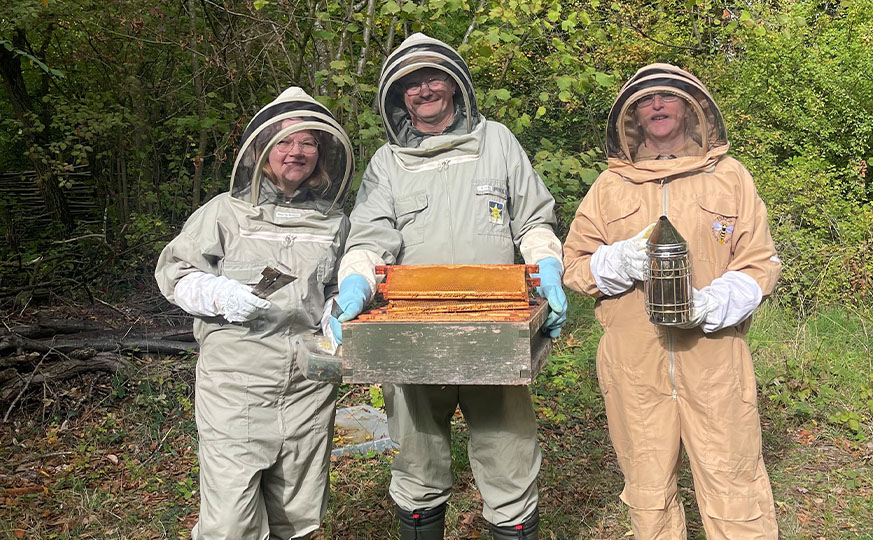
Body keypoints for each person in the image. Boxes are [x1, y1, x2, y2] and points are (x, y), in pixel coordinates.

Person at [329, 33, 566, 540]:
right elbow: (370, 240)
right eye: (411, 84)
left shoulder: (498, 141)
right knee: (416, 459)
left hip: (495, 329)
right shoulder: (387, 164)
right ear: (398, 97)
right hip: (411, 333)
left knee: (509, 455)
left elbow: (532, 222)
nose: (424, 90)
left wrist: (546, 263)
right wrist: (355, 281)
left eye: (433, 78)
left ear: (456, 86)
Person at [562, 64, 782, 540]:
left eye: (666, 97)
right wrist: (617, 261)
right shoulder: (609, 187)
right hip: (633, 365)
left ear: (691, 108)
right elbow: (573, 267)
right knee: (648, 489)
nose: (657, 106)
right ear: (633, 118)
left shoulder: (730, 177)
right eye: (645, 101)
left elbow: (760, 262)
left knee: (734, 484)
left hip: (715, 357)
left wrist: (714, 302)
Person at [155, 87, 354, 540]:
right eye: (284, 141)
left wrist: (340, 308)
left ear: (320, 155)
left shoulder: (334, 222)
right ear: (262, 153)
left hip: (308, 383)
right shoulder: (224, 212)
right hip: (236, 384)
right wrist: (219, 293)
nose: (296, 152)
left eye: (307, 142)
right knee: (230, 520)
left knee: (298, 513)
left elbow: (337, 285)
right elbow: (175, 273)